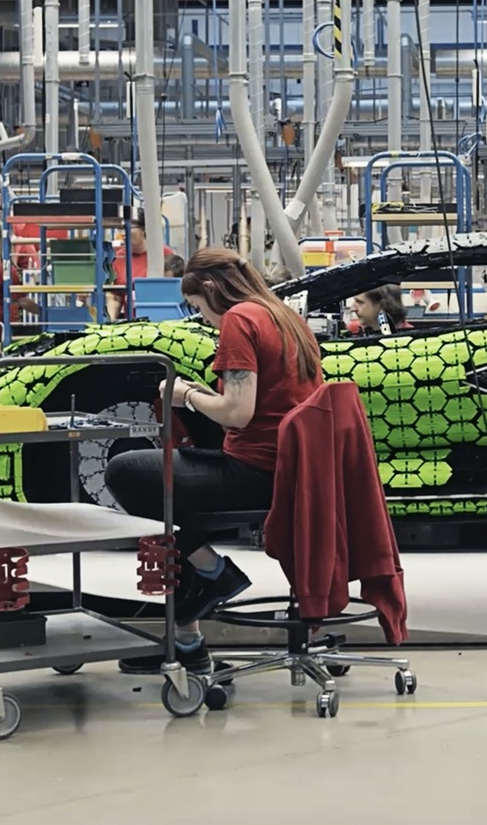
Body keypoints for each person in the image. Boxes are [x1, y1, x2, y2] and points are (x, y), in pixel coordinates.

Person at [104, 248, 323, 676]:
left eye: (199, 308)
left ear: (210, 289)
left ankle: (214, 572)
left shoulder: (241, 319)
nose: (204, 319)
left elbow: (237, 413)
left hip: (256, 472)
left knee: (126, 472)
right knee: (174, 508)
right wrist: (209, 395)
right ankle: (187, 643)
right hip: (291, 469)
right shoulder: (284, 316)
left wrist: (186, 395)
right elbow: (263, 404)